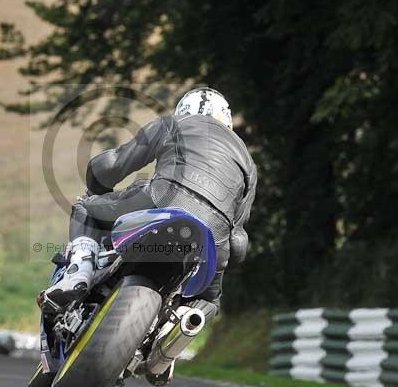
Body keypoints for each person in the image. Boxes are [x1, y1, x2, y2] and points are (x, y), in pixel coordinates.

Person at [42, 87, 256, 325]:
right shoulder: (247, 161)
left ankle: (78, 274)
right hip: (215, 235)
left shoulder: (172, 123)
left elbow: (112, 166)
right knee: (207, 303)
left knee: (85, 210)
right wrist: (224, 257)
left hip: (162, 199)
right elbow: (238, 242)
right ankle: (178, 332)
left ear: (183, 110)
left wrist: (97, 188)